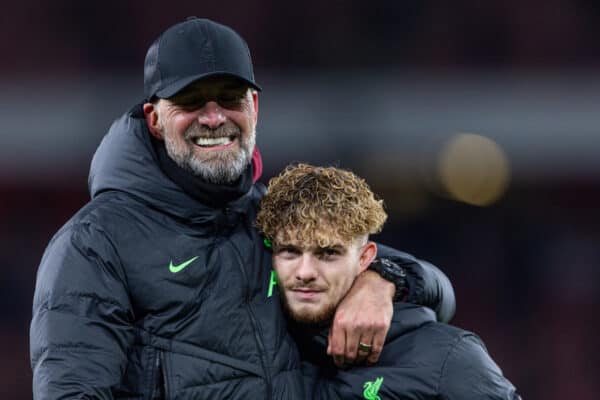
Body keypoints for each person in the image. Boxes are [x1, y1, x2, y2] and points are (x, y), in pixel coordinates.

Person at [30, 18, 455, 399]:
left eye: (230, 98)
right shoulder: (95, 244)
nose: (214, 117)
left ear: (254, 108)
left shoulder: (277, 218)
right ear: (155, 119)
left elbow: (439, 291)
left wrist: (379, 283)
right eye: (191, 101)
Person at [256, 163, 522, 400]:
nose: (305, 272)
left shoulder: (448, 359)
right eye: (290, 251)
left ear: (365, 258)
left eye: (328, 253)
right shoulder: (262, 349)